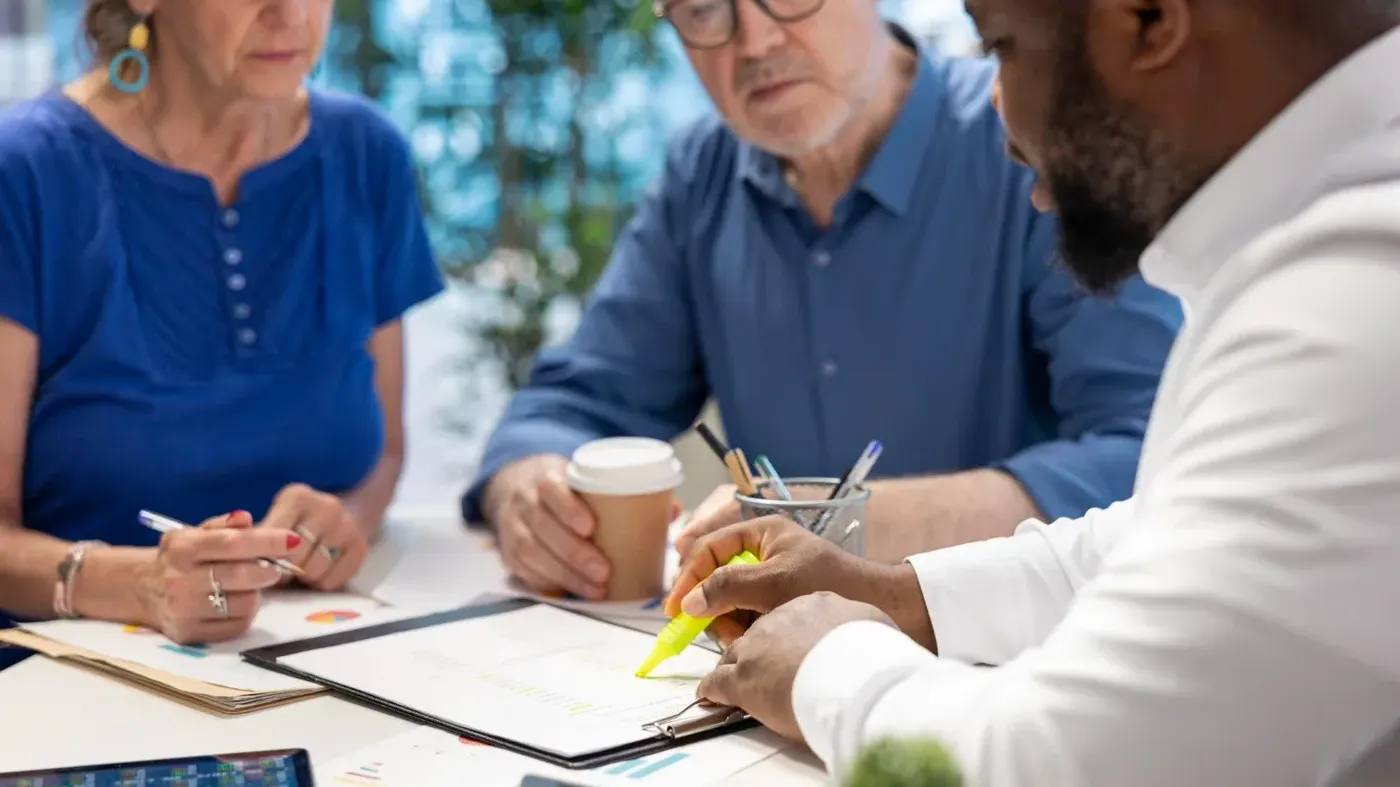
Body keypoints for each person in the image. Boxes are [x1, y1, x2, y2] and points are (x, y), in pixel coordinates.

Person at [664, 0, 1400, 784]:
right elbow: (1161, 536)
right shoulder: (1322, 258)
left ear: (1149, 19)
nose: (999, 116)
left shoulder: (1353, 304)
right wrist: (892, 593)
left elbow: (1066, 766)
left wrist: (827, 662)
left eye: (1002, 47)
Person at [463, 0, 1182, 599]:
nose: (755, 41)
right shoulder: (702, 176)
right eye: (704, 9)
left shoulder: (1026, 140)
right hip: (780, 678)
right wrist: (528, 492)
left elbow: (1148, 457)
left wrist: (839, 524)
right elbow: (575, 401)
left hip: (1012, 664)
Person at [0, 0, 442, 670]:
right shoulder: (25, 174)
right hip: (62, 686)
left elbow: (384, 457)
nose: (290, 13)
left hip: (306, 666)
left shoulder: (367, 153)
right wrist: (139, 583)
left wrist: (345, 521)